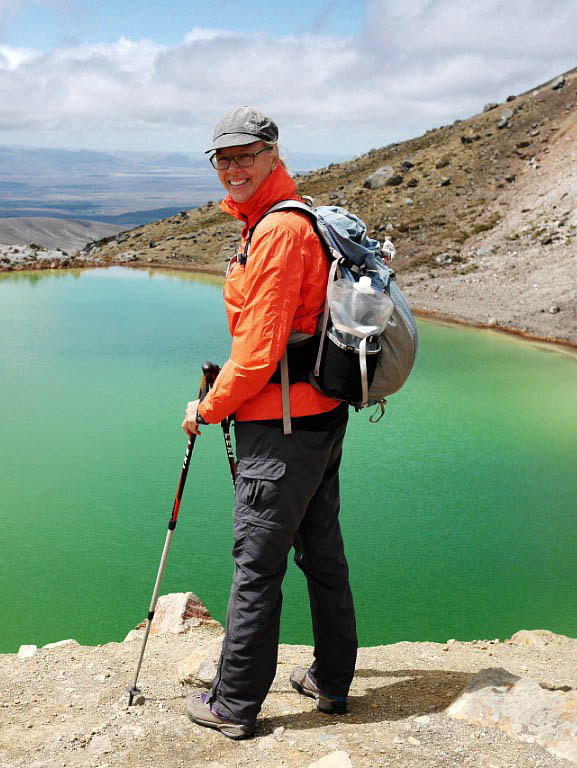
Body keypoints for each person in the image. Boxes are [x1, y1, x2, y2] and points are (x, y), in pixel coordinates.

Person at [182, 106, 357, 740]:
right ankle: (333, 680)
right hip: (317, 420)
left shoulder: (280, 232)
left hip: (280, 433)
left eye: (244, 156)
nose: (232, 167)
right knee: (323, 556)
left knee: (257, 566)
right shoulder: (283, 217)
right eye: (222, 158)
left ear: (273, 155)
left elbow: (257, 351)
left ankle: (233, 704)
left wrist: (207, 407)